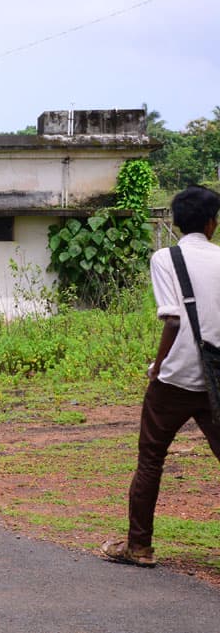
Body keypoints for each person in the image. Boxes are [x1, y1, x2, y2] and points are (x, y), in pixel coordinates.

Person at [102, 186, 220, 567]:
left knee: (151, 459)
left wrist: (157, 367)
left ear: (175, 222)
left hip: (173, 378)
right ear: (211, 222)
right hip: (215, 379)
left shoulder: (164, 258)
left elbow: (171, 318)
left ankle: (139, 546)